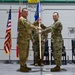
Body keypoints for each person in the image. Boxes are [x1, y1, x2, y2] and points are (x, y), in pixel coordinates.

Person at [17, 8, 37, 72]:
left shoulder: (26, 19)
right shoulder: (22, 19)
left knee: (26, 54)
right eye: (25, 12)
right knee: (23, 54)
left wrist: (32, 38)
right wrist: (37, 28)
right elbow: (29, 26)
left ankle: (24, 65)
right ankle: (22, 67)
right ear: (22, 12)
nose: (26, 13)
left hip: (26, 39)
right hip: (22, 40)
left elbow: (29, 29)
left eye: (27, 12)